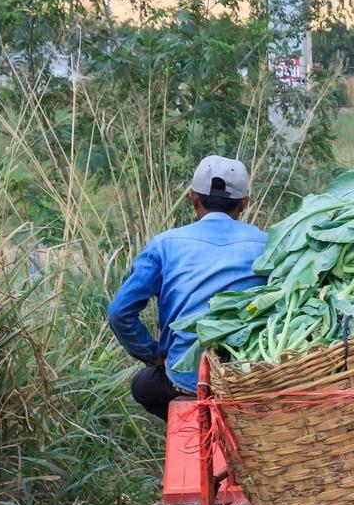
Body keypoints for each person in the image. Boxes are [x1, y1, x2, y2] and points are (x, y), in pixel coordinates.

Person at [107, 155, 266, 422]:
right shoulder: (268, 244)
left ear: (193, 198)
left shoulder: (165, 245)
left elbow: (119, 312)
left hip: (188, 381)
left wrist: (154, 355)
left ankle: (191, 430)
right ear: (244, 203)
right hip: (249, 378)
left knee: (143, 386)